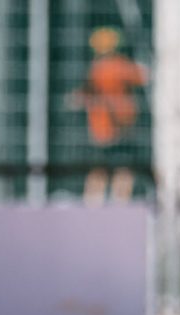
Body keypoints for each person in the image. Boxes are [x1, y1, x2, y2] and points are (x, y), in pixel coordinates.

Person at [75, 28, 148, 204]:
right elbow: (143, 75)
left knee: (98, 170)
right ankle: (120, 203)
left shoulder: (95, 69)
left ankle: (92, 203)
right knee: (124, 170)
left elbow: (82, 95)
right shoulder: (118, 65)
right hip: (121, 128)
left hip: (100, 131)